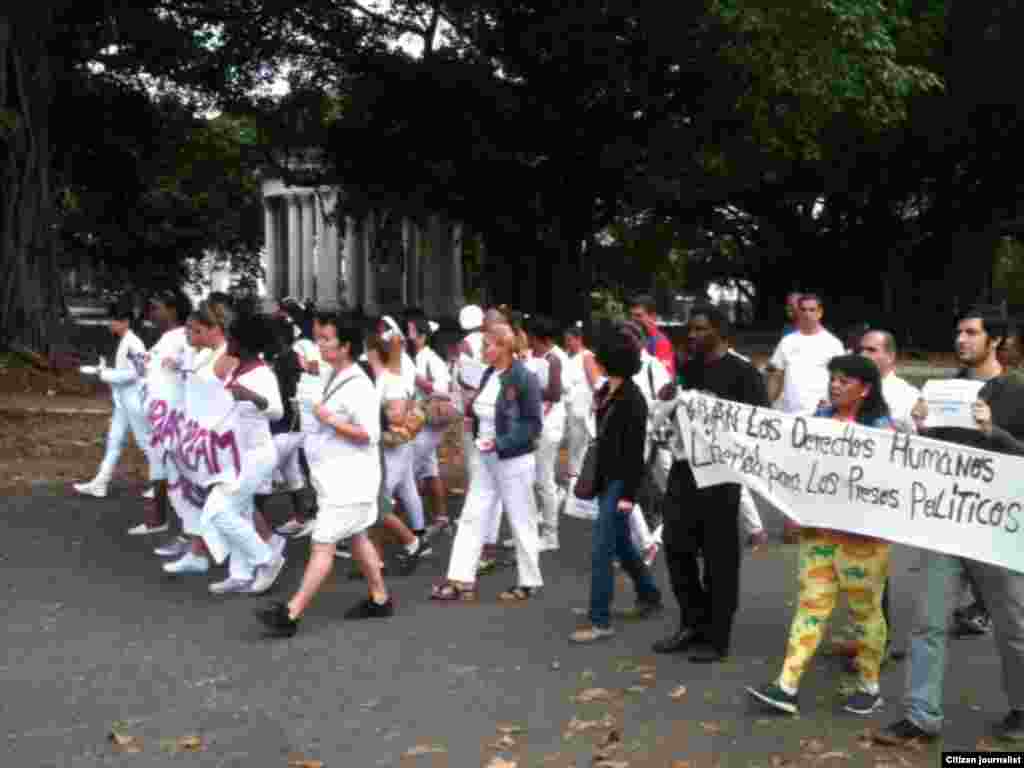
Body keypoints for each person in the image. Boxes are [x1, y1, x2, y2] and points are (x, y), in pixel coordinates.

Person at [875, 308, 1024, 746]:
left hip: (997, 526)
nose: (961, 340)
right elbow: (929, 455)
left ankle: (1021, 709)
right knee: (928, 622)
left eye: (971, 333)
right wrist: (920, 425)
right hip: (946, 522)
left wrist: (994, 432)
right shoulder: (942, 390)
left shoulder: (1015, 392)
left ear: (994, 341)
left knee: (1013, 624)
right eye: (958, 332)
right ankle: (922, 716)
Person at [747, 355, 893, 716]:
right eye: (834, 378)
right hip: (818, 537)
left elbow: (888, 487)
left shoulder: (882, 431)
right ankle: (787, 685)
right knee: (811, 607)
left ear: (865, 389)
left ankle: (869, 686)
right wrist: (794, 512)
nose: (836, 385)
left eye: (845, 380)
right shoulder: (816, 424)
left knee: (865, 613)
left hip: (863, 543)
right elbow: (798, 471)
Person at [258, 310, 393, 638]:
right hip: (335, 477)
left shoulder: (359, 385)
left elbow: (370, 434)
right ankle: (380, 598)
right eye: (318, 337)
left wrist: (328, 419)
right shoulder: (334, 373)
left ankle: (292, 612)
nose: (319, 344)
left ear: (346, 346)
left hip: (350, 480)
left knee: (322, 544)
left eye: (326, 339)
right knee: (358, 535)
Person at [654, 304, 769, 663]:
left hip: (721, 476)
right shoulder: (688, 369)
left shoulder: (744, 373)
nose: (692, 335)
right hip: (684, 470)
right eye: (690, 329)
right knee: (676, 547)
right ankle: (692, 623)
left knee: (719, 558)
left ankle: (718, 637)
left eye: (701, 329)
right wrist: (668, 407)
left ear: (720, 331)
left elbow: (761, 425)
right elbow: (676, 412)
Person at [430, 324, 544, 601]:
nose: (483, 350)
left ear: (505, 347)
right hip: (485, 455)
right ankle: (460, 578)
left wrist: (500, 443)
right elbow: (485, 410)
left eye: (488, 345)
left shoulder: (524, 378)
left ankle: (529, 581)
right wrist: (474, 421)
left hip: (512, 458)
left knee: (521, 518)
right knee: (471, 514)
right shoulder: (490, 374)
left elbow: (532, 424)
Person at [569, 331, 663, 643]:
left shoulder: (632, 400)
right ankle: (649, 594)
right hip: (607, 480)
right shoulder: (609, 391)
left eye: (600, 355)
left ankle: (600, 620)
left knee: (601, 550)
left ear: (612, 361)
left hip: (619, 483)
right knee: (621, 544)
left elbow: (636, 453)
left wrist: (627, 496)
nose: (594, 359)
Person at [197, 312, 287, 595]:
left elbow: (277, 411)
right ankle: (240, 573)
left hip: (256, 456)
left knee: (218, 512)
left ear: (245, 343)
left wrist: (252, 397)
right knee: (241, 511)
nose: (228, 342)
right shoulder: (238, 368)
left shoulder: (261, 373)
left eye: (232, 338)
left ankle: (268, 559)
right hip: (235, 455)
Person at [129, 289, 192, 536]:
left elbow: (190, 371)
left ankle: (190, 529)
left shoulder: (182, 337)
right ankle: (159, 519)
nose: (152, 313)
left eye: (157, 308)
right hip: (160, 418)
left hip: (175, 418)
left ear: (173, 309)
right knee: (159, 466)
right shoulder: (166, 338)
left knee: (181, 471)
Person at [74, 297, 152, 499]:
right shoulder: (126, 341)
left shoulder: (134, 343)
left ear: (125, 322)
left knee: (145, 442)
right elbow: (126, 372)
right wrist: (104, 371)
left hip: (134, 400)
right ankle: (101, 482)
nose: (111, 324)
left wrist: (104, 374)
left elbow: (137, 373)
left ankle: (164, 484)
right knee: (114, 441)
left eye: (114, 320)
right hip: (124, 402)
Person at [408, 315, 453, 530]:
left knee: (407, 474)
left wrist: (419, 381)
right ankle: (441, 517)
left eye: (412, 331)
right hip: (422, 423)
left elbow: (442, 390)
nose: (409, 336)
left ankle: (410, 527)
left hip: (426, 423)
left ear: (423, 336)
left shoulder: (430, 359)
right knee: (430, 470)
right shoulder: (418, 357)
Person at [526, 315, 566, 552]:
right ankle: (530, 531)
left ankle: (551, 535)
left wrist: (528, 389)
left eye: (530, 336)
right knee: (530, 480)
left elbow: (555, 393)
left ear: (538, 337)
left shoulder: (554, 359)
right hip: (535, 422)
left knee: (544, 481)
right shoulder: (536, 357)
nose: (527, 340)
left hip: (548, 426)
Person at [629, 294, 676, 378]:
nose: (633, 320)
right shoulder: (633, 338)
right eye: (631, 315)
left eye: (638, 316)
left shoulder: (660, 342)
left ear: (653, 316)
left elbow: (666, 376)